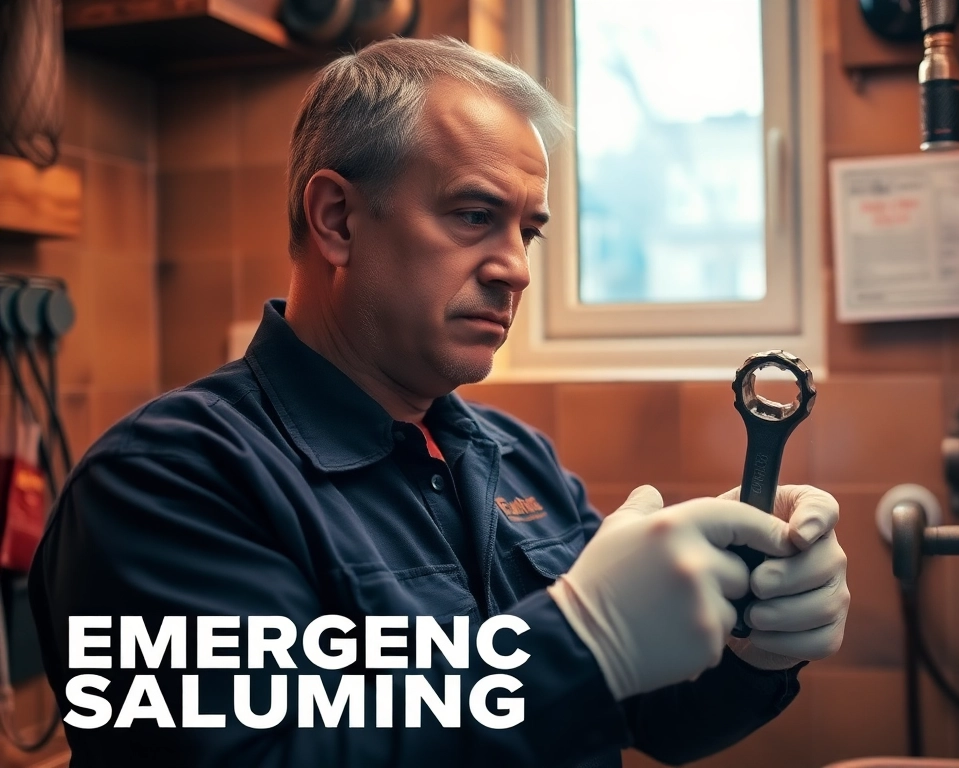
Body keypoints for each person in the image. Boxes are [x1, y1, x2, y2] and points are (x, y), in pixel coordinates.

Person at [30, 36, 849, 767]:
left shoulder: (515, 458)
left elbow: (645, 716)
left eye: (526, 231)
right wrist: (584, 641)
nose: (516, 268)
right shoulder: (168, 484)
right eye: (473, 216)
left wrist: (753, 649)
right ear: (337, 219)